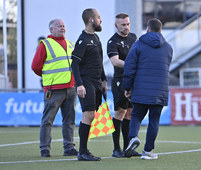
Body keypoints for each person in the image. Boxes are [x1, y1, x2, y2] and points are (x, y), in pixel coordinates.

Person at [123, 18, 173, 159]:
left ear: (148, 29)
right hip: (160, 90)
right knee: (154, 120)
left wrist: (127, 87)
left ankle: (133, 137)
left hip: (141, 88)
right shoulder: (168, 47)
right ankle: (148, 151)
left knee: (136, 115)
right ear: (160, 30)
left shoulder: (138, 44)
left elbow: (129, 67)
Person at [31, 19, 78, 157]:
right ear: (51, 29)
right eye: (59, 26)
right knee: (48, 120)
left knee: (69, 120)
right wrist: (48, 78)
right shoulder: (45, 44)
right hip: (54, 89)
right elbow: (35, 66)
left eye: (64, 26)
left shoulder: (70, 44)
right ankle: (45, 148)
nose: (62, 28)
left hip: (71, 88)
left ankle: (69, 147)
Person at [71, 8, 107, 161]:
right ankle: (83, 152)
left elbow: (99, 62)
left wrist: (104, 80)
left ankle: (83, 151)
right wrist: (79, 84)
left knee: (91, 115)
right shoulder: (83, 39)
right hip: (86, 82)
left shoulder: (96, 38)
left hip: (97, 82)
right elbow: (74, 64)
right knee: (89, 114)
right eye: (99, 17)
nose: (101, 20)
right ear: (92, 20)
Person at [107, 13, 141, 157]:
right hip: (120, 80)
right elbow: (115, 61)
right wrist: (132, 65)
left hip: (134, 80)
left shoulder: (134, 37)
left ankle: (128, 148)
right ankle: (116, 149)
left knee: (129, 113)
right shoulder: (112, 41)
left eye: (127, 24)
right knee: (120, 112)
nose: (126, 27)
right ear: (116, 25)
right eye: (123, 24)